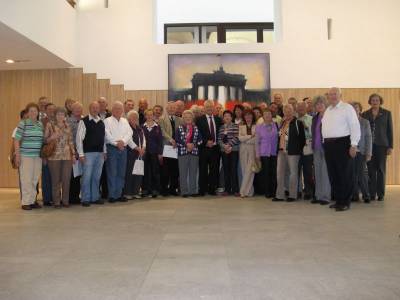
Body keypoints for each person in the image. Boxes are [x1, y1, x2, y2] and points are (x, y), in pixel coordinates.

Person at [322, 87, 360, 211]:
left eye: (335, 94)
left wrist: (353, 145)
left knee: (345, 174)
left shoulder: (347, 108)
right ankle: (338, 200)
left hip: (342, 143)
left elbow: (354, 126)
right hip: (329, 145)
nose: (332, 96)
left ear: (340, 95)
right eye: (330, 94)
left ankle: (345, 202)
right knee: (333, 174)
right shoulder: (328, 109)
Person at [362, 93, 393, 201]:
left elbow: (390, 131)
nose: (375, 102)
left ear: (380, 101)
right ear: (370, 102)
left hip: (382, 145)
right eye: (373, 100)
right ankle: (371, 193)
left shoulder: (386, 113)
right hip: (369, 146)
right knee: (370, 170)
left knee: (380, 170)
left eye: (377, 100)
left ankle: (381, 194)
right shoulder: (365, 114)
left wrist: (390, 146)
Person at [76, 101, 107, 206]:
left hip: (100, 154)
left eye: (97, 108)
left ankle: (95, 197)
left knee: (96, 177)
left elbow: (103, 139)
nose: (95, 109)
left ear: (99, 109)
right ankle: (85, 198)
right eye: (93, 107)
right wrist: (81, 154)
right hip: (88, 154)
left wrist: (104, 151)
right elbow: (79, 139)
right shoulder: (83, 121)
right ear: (89, 109)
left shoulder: (101, 122)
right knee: (87, 177)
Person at [14, 103, 44, 210]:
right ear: (27, 113)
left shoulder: (40, 125)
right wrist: (17, 155)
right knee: (26, 179)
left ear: (38, 112)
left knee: (34, 179)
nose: (33, 113)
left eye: (35, 111)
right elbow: (16, 140)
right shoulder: (23, 123)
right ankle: (25, 202)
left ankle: (32, 201)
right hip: (26, 156)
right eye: (30, 111)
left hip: (38, 156)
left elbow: (42, 140)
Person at [44, 107, 76, 208]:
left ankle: (65, 201)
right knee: (55, 180)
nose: (60, 116)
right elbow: (44, 140)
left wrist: (73, 154)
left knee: (66, 179)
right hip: (54, 156)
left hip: (67, 156)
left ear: (65, 116)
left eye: (62, 114)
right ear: (55, 115)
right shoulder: (50, 125)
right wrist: (51, 137)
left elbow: (70, 141)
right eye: (58, 114)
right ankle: (56, 202)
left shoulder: (68, 126)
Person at [274, 104, 305, 202]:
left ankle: (292, 195)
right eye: (285, 110)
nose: (287, 112)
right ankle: (280, 195)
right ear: (283, 112)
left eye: (289, 110)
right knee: (280, 173)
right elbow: (279, 137)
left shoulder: (298, 123)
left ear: (293, 111)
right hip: (281, 151)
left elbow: (302, 139)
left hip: (293, 152)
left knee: (293, 174)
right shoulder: (282, 123)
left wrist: (297, 149)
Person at [104, 101, 134, 203]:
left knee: (121, 172)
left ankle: (119, 194)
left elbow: (130, 133)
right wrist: (117, 143)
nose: (118, 110)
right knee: (112, 172)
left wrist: (123, 142)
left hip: (123, 149)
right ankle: (112, 195)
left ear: (122, 110)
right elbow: (106, 135)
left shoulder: (125, 121)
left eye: (120, 109)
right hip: (112, 148)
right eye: (116, 108)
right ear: (112, 110)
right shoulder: (106, 121)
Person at [196, 100, 222, 196]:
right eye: (207, 107)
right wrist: (206, 142)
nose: (209, 108)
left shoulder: (218, 119)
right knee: (203, 169)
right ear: (204, 108)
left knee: (214, 170)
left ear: (213, 108)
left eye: (211, 106)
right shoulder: (199, 119)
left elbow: (221, 133)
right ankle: (202, 189)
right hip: (203, 148)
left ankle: (212, 189)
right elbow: (198, 134)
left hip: (215, 149)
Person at [176, 110, 202, 197]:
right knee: (183, 173)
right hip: (183, 153)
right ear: (183, 118)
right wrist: (186, 144)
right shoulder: (179, 128)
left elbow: (200, 140)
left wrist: (193, 145)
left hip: (194, 153)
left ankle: (193, 191)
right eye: (186, 117)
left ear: (192, 118)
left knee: (193, 173)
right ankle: (184, 192)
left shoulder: (196, 128)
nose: (188, 119)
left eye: (189, 117)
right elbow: (177, 140)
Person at [311, 96, 331, 205]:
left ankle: (325, 197)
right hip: (316, 148)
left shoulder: (329, 116)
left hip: (327, 148)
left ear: (325, 104)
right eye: (317, 104)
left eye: (321, 103)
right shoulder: (315, 117)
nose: (319, 105)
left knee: (325, 173)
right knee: (317, 172)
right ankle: (318, 196)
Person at [159, 101, 182, 196]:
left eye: (173, 107)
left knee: (175, 170)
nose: (172, 109)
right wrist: (171, 140)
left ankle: (173, 189)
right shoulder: (161, 119)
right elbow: (162, 131)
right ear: (166, 108)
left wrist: (177, 141)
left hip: (176, 148)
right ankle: (164, 189)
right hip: (166, 147)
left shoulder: (180, 120)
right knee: (165, 170)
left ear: (176, 109)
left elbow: (181, 132)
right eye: (170, 107)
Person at [352, 102, 372, 203]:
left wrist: (369, 153)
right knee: (352, 174)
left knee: (361, 174)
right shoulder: (347, 122)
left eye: (356, 108)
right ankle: (355, 195)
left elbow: (368, 138)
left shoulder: (365, 122)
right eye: (353, 108)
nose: (355, 109)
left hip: (361, 152)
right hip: (350, 152)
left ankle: (366, 195)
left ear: (360, 109)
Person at [256, 109, 279, 198]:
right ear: (263, 116)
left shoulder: (276, 125)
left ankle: (274, 191)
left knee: (274, 173)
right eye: (265, 114)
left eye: (269, 114)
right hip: (264, 152)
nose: (267, 116)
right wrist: (257, 154)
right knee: (265, 173)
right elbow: (257, 142)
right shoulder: (259, 127)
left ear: (271, 115)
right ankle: (267, 191)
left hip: (274, 152)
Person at [123, 110, 146, 200]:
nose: (134, 119)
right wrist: (137, 148)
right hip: (131, 153)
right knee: (129, 173)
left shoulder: (139, 128)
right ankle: (128, 192)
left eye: (136, 117)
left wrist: (143, 148)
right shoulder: (127, 127)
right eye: (132, 117)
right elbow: (128, 140)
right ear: (128, 118)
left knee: (138, 172)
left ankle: (136, 192)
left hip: (140, 154)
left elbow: (144, 139)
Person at [142, 109, 163, 198]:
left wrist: (160, 153)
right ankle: (146, 189)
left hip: (155, 152)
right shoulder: (142, 127)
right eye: (148, 115)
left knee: (155, 171)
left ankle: (155, 189)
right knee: (145, 171)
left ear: (154, 116)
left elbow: (160, 141)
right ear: (145, 116)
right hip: (145, 152)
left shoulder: (157, 127)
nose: (150, 116)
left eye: (151, 115)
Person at [218, 110, 240, 196]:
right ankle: (227, 189)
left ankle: (235, 190)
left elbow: (237, 137)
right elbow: (219, 139)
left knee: (233, 170)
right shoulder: (221, 127)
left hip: (233, 150)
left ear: (231, 117)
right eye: (225, 116)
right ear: (223, 118)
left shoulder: (236, 126)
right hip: (224, 151)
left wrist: (229, 145)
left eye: (229, 116)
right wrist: (224, 146)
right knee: (226, 170)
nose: (227, 117)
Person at [296, 102, 314, 200]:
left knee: (308, 171)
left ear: (306, 108)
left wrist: (306, 127)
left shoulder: (311, 119)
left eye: (302, 107)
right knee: (296, 171)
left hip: (307, 147)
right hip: (296, 148)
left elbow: (313, 134)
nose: (300, 109)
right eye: (299, 108)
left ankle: (308, 192)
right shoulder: (293, 119)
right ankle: (297, 191)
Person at [67, 101, 83, 204]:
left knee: (78, 175)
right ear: (72, 110)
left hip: (81, 152)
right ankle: (71, 197)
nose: (78, 111)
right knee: (71, 176)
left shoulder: (83, 120)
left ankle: (76, 196)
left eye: (80, 109)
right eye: (76, 109)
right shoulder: (68, 121)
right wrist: (74, 152)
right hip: (71, 153)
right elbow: (69, 138)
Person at [238, 109, 256, 197]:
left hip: (253, 149)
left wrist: (246, 140)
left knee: (250, 170)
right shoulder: (241, 126)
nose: (248, 117)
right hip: (243, 150)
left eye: (249, 115)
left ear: (252, 116)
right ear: (244, 117)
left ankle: (243, 191)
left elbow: (257, 139)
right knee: (244, 170)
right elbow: (240, 138)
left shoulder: (256, 126)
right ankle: (250, 191)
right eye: (246, 116)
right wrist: (250, 136)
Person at [41, 102, 56, 206]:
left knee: (55, 177)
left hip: (57, 154)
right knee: (46, 177)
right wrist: (43, 156)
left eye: (53, 109)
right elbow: (41, 140)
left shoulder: (59, 121)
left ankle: (55, 197)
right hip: (47, 153)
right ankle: (46, 199)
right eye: (49, 109)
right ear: (45, 111)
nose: (51, 111)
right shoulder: (41, 122)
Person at [98, 97, 111, 199]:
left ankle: (106, 193)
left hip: (109, 146)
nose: (102, 104)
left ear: (107, 104)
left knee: (107, 171)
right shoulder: (93, 115)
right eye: (100, 102)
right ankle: (97, 193)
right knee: (98, 171)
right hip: (97, 148)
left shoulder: (111, 115)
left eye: (103, 102)